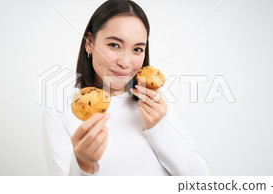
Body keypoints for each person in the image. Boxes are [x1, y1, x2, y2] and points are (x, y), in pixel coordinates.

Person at [43, 0, 211, 175]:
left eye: (137, 49)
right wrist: (84, 165)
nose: (125, 62)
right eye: (114, 45)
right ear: (89, 43)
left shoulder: (156, 104)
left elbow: (200, 180)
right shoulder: (59, 110)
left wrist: (158, 128)